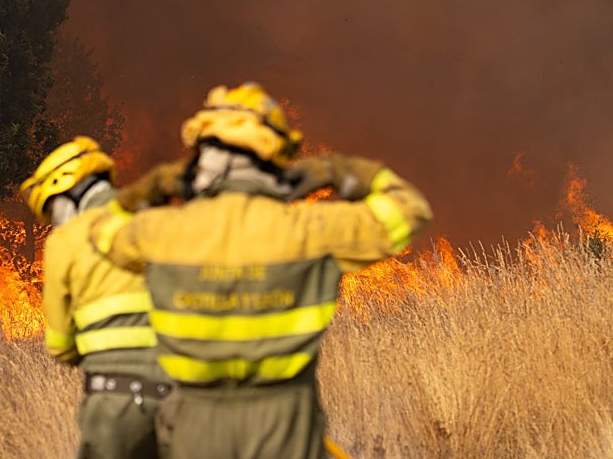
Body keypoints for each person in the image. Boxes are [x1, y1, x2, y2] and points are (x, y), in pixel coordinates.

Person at [90, 83, 433, 459]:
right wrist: (339, 171)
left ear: (201, 158)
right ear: (276, 157)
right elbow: (410, 209)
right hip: (284, 424)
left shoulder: (162, 234)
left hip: (195, 427)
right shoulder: (311, 230)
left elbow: (99, 228)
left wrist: (153, 187)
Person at [21, 136, 174, 459]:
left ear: (69, 191)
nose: (55, 223)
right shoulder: (156, 219)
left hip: (115, 402)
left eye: (53, 209)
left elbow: (60, 345)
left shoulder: (65, 241)